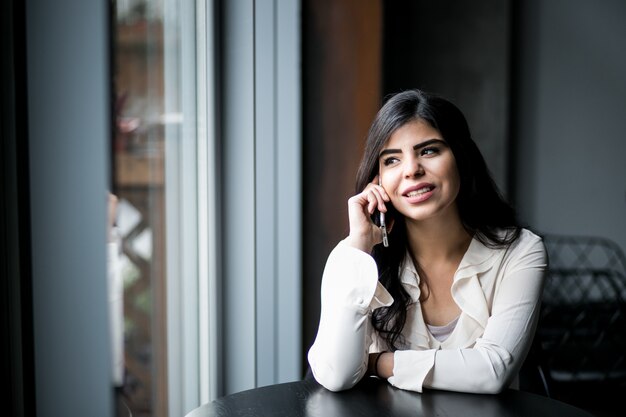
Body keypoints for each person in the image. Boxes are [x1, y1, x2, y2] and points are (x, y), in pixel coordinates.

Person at [307, 89, 547, 394]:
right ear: (377, 180)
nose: (411, 170)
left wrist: (376, 363)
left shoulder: (521, 251)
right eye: (392, 160)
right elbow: (337, 375)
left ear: (461, 157)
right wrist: (360, 245)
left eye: (429, 151)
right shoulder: (356, 256)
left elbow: (492, 370)